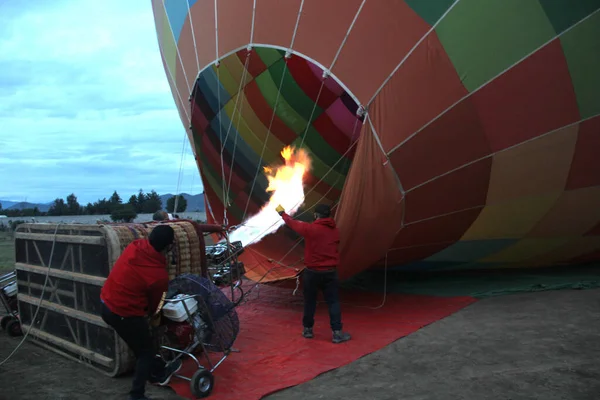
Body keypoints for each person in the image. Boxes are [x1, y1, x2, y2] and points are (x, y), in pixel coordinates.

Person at [100, 224, 182, 400]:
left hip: (105, 303)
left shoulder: (134, 246)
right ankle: (137, 394)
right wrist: (158, 320)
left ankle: (155, 372)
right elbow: (157, 306)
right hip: (123, 313)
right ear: (168, 247)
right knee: (146, 352)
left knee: (140, 344)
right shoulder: (158, 276)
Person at [275, 203, 351, 344]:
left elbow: (293, 223)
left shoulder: (310, 229)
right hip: (330, 272)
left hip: (312, 272)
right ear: (329, 216)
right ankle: (337, 333)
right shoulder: (335, 231)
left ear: (316, 215)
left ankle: (308, 330)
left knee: (310, 302)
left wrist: (282, 213)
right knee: (333, 302)